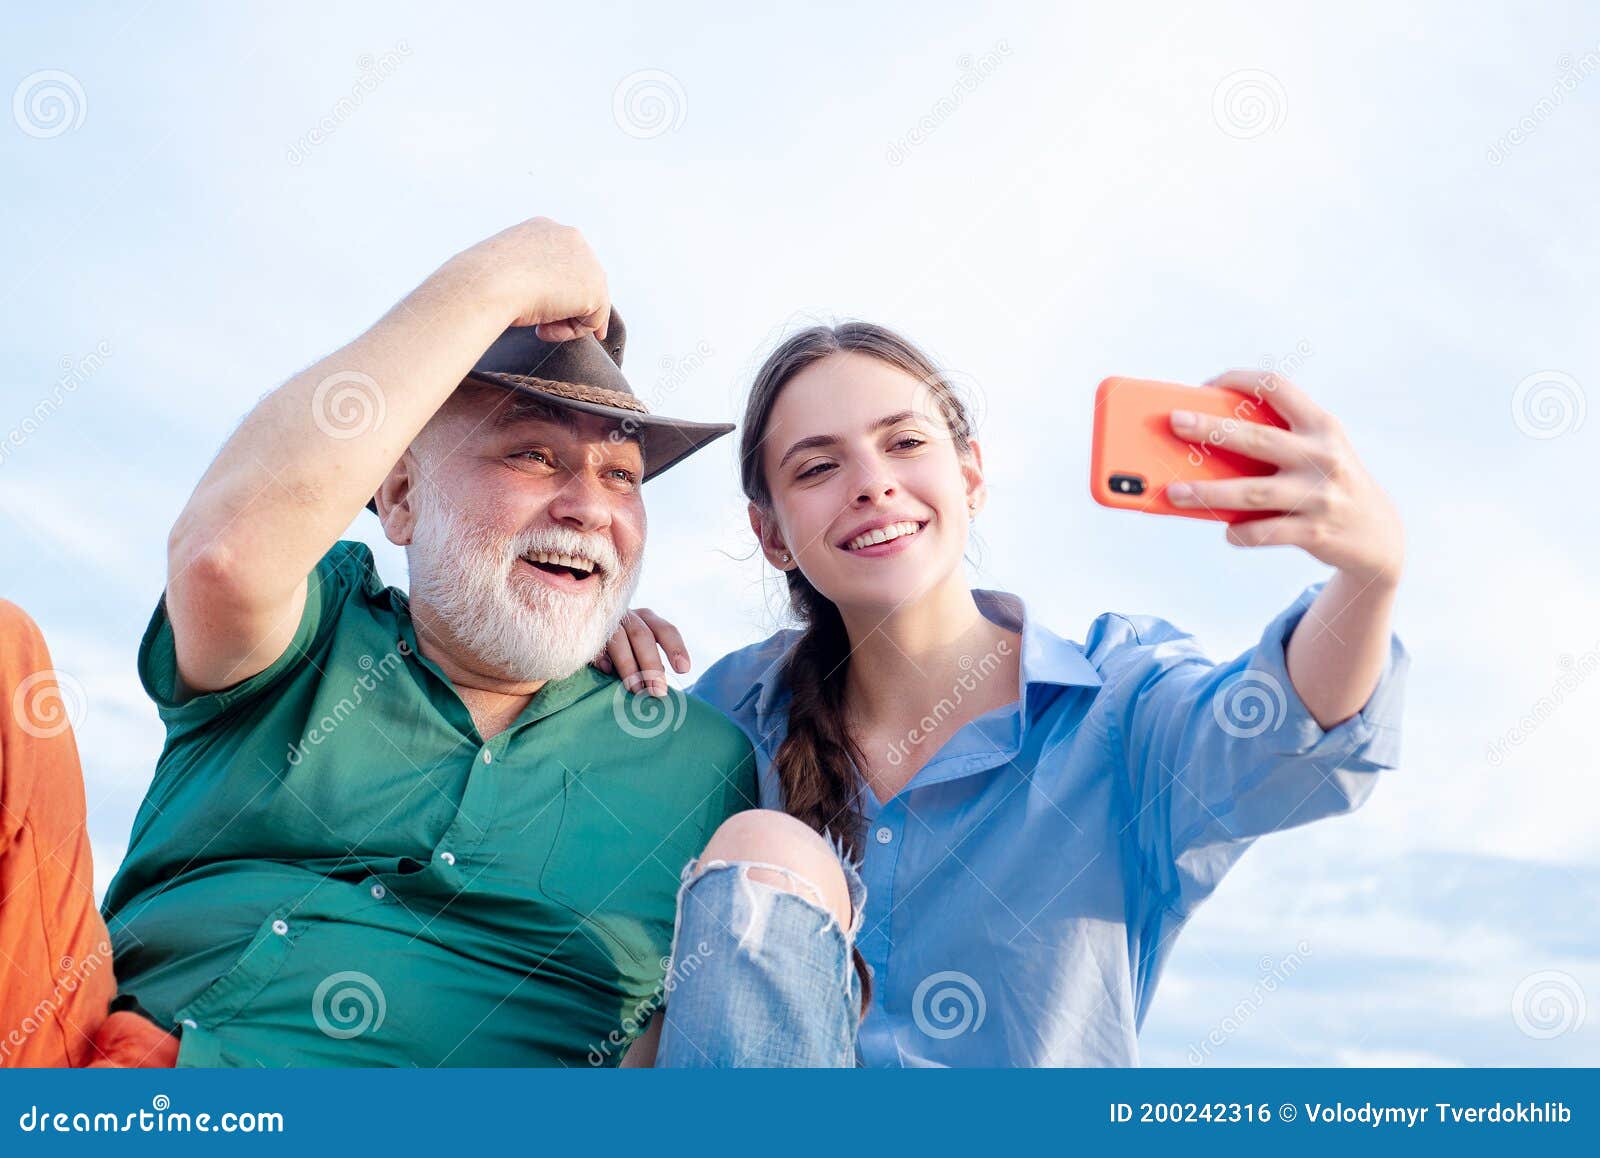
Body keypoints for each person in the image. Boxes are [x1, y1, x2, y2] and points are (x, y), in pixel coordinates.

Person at [0, 217, 755, 1067]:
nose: (589, 504)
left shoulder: (702, 762)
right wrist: (510, 274)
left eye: (621, 474)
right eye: (532, 456)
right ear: (398, 498)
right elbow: (225, 555)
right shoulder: (311, 627)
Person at [605, 323, 1410, 1067]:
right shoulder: (728, 714)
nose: (872, 484)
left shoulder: (1117, 706)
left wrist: (1368, 576)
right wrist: (585, 654)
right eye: (818, 467)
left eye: (905, 442)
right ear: (771, 533)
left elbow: (1290, 732)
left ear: (970, 476)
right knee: (761, 850)